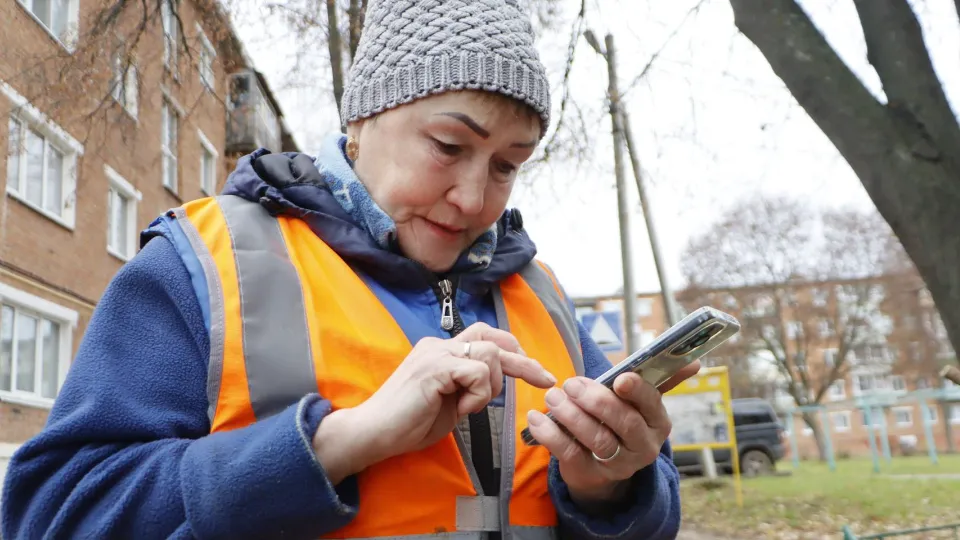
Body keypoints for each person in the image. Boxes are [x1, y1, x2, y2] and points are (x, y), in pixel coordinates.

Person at [1, 1, 697, 538]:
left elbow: (652, 513)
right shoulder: (204, 264)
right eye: (450, 145)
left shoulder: (539, 293)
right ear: (362, 118)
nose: (476, 197)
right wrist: (338, 443)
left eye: (508, 165)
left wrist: (610, 486)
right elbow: (50, 515)